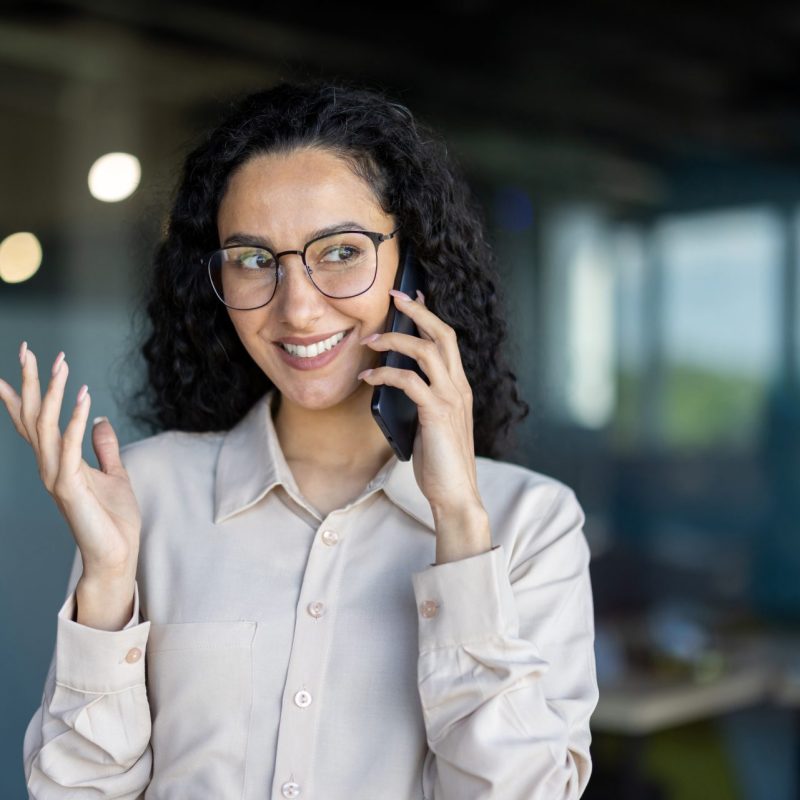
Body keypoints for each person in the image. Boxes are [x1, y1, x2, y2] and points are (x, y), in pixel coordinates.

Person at [4, 81, 598, 799]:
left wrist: (462, 531)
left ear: (415, 263)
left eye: (341, 251)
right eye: (255, 260)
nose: (298, 307)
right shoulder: (146, 494)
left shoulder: (529, 525)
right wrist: (106, 584)